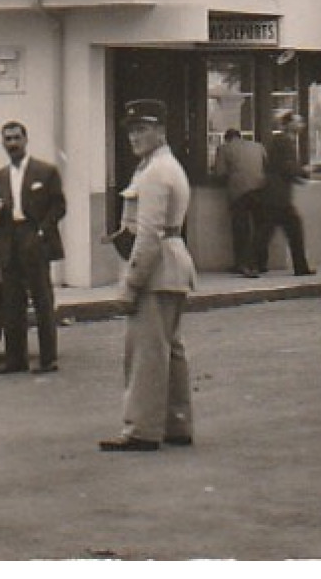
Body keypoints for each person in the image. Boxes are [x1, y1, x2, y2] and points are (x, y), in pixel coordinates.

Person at [99, 99, 198, 452]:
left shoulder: (156, 172)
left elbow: (150, 235)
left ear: (160, 130)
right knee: (169, 349)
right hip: (173, 266)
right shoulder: (164, 166)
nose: (134, 137)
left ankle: (141, 429)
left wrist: (131, 283)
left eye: (142, 129)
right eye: (131, 130)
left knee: (145, 353)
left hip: (157, 271)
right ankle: (176, 423)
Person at [0, 121, 67, 374]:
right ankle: (16, 359)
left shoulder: (45, 172)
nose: (12, 144)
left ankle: (48, 358)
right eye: (8, 139)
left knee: (42, 299)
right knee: (12, 301)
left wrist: (42, 231)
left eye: (16, 138)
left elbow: (59, 206)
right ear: (2, 143)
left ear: (26, 140)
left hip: (35, 236)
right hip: (9, 239)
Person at [259, 111, 314, 276]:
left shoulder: (280, 141)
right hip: (279, 195)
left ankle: (255, 263)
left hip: (274, 194)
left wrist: (298, 176)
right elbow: (287, 167)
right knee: (293, 230)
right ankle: (300, 267)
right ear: (289, 124)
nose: (302, 125)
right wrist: (303, 171)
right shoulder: (285, 142)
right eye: (298, 122)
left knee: (266, 231)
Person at [212, 129, 268, 278]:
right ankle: (261, 263)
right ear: (240, 136)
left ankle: (243, 264)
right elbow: (266, 166)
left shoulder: (224, 148)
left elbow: (220, 172)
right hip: (260, 190)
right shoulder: (258, 146)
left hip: (239, 192)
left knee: (241, 229)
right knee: (260, 227)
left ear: (227, 138)